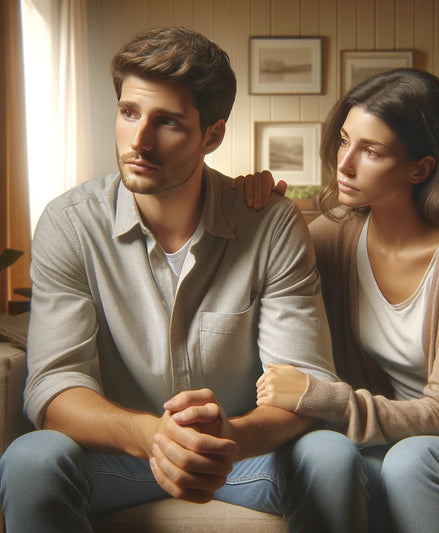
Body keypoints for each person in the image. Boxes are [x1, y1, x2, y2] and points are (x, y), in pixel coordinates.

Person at [0, 27, 365, 533]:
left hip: (241, 455)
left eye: (166, 121)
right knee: (29, 458)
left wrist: (230, 435)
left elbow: (305, 382)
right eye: (129, 113)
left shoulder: (270, 223)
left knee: (332, 456)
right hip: (116, 458)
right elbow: (55, 384)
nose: (139, 140)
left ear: (211, 135)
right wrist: (152, 436)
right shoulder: (69, 223)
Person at [248, 68, 439, 532]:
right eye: (344, 141)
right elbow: (258, 253)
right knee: (342, 466)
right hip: (383, 440)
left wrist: (326, 400)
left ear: (420, 168)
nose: (345, 163)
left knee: (412, 462)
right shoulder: (332, 236)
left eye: (371, 151)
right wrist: (253, 198)